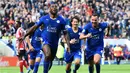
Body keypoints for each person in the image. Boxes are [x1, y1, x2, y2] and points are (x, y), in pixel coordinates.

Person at [23, 1, 70, 73]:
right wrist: (26, 35)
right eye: (52, 6)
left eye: (55, 7)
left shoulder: (61, 20)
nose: (54, 8)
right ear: (49, 9)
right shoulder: (44, 18)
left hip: (54, 44)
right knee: (47, 55)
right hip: (45, 42)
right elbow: (35, 27)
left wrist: (68, 45)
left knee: (50, 61)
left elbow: (65, 33)